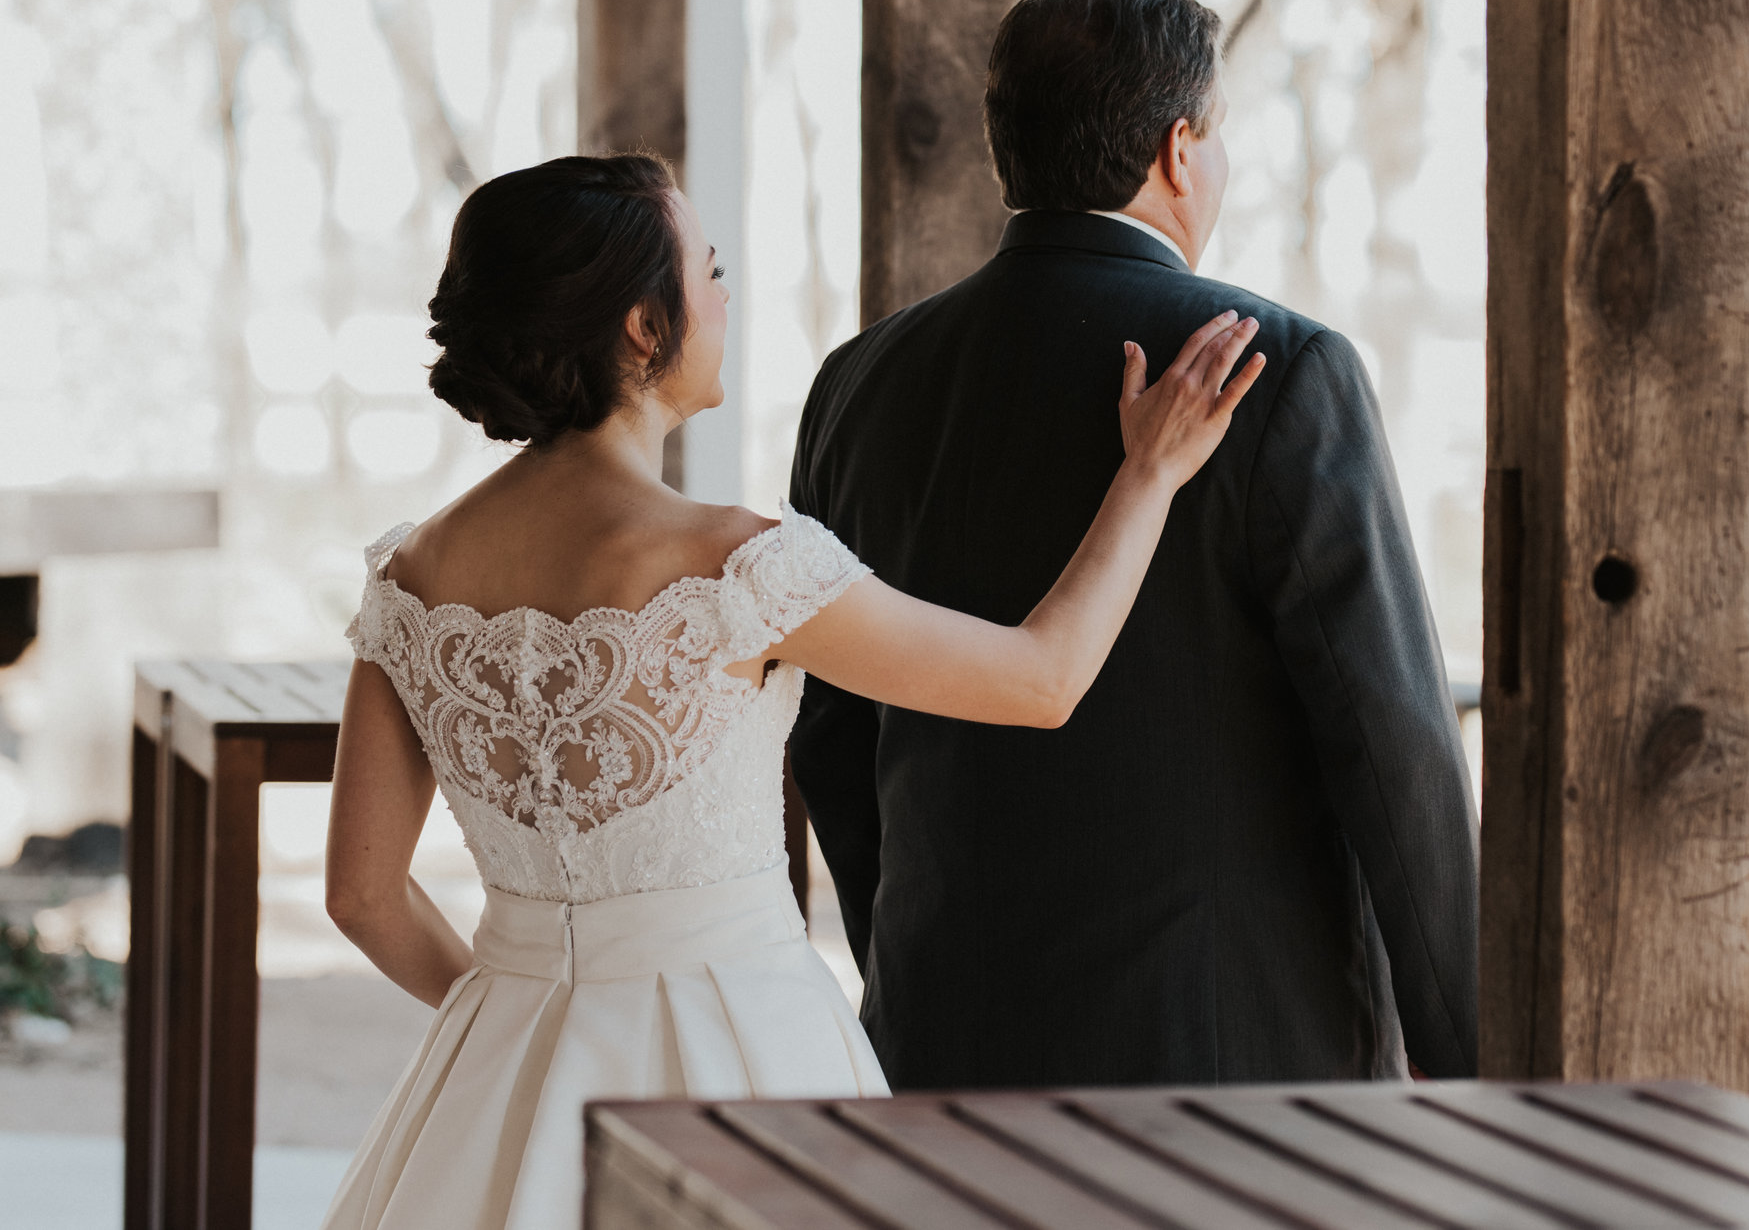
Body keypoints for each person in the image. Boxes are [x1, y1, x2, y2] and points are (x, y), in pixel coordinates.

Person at [317, 152, 1260, 1230]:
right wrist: (1148, 477)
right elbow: (1040, 681)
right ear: (641, 326)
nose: (726, 299)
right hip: (737, 1051)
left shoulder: (408, 578)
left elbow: (361, 895)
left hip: (498, 1068)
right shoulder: (737, 568)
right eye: (709, 272)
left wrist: (523, 1018)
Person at [789, 0, 1480, 1089]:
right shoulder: (1279, 370)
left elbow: (828, 733)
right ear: (1176, 151)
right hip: (1229, 1055)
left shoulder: (859, 386)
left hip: (943, 1035)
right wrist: (1469, 1062)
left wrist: (911, 961)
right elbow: (1390, 740)